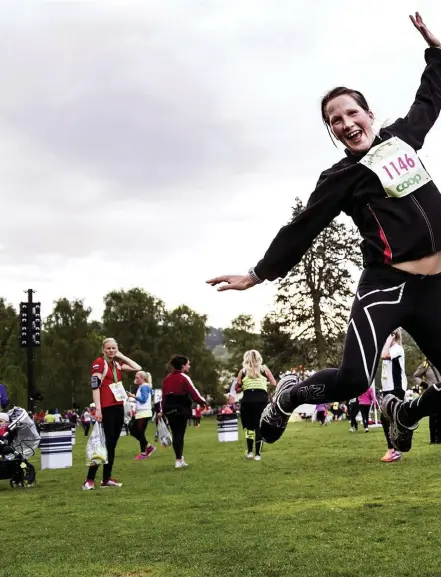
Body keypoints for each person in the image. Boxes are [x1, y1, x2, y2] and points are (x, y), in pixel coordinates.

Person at [207, 13, 441, 455]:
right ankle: (292, 394)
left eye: (352, 112)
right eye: (335, 120)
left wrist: (435, 50)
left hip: (434, 287)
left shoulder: (403, 138)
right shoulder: (339, 177)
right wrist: (257, 274)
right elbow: (302, 228)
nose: (346, 122)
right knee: (353, 381)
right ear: (332, 131)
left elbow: (430, 97)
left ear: (369, 114)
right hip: (387, 286)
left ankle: (405, 412)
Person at [82, 337, 141, 490]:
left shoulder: (117, 364)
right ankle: (89, 479)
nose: (111, 351)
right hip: (106, 408)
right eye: (108, 348)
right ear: (103, 349)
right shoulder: (99, 363)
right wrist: (98, 409)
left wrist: (120, 355)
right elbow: (95, 387)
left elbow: (137, 367)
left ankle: (106, 479)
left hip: (118, 407)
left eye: (114, 348)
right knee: (104, 443)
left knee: (112, 445)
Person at [160, 355, 206, 468]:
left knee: (176, 434)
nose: (189, 366)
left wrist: (162, 410)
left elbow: (163, 396)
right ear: (182, 365)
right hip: (181, 409)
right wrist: (203, 402)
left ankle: (179, 459)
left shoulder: (166, 379)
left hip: (169, 410)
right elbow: (194, 393)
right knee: (179, 435)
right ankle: (179, 460)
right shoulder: (183, 377)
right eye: (188, 364)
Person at [236, 350, 277, 461]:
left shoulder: (242, 371)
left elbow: (237, 388)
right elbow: (274, 383)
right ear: (259, 358)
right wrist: (264, 384)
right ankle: (257, 454)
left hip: (247, 402)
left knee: (249, 427)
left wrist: (245, 386)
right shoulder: (264, 369)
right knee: (259, 427)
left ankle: (249, 452)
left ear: (246, 359)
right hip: (261, 401)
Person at [379, 329, 407, 462]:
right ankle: (394, 449)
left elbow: (384, 355)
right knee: (387, 419)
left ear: (393, 336)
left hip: (396, 389)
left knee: (389, 419)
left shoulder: (397, 348)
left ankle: (394, 450)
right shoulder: (391, 349)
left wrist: (390, 338)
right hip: (388, 389)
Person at [127, 371, 156, 460]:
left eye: (137, 377)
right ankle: (148, 448)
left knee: (138, 432)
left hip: (144, 413)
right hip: (141, 413)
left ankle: (145, 453)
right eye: (135, 377)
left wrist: (133, 396)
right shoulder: (142, 386)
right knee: (134, 430)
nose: (135, 379)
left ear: (143, 378)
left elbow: (143, 399)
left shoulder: (144, 387)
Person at [414, 357, 441, 444]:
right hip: (433, 392)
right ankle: (433, 439)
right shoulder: (426, 364)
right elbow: (416, 376)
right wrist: (423, 384)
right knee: (433, 416)